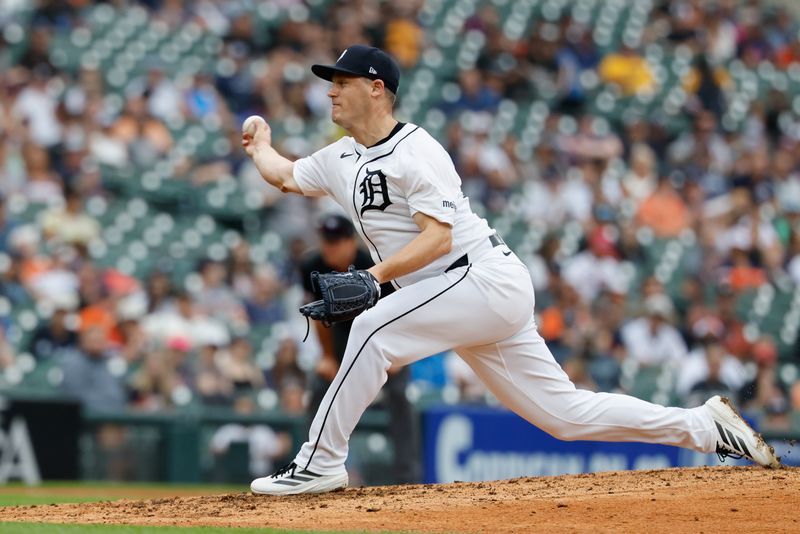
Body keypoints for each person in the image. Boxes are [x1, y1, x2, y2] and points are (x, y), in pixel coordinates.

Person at [242, 45, 779, 495]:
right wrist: (260, 145)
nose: (331, 90)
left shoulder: (416, 150)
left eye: (342, 80)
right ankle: (706, 427)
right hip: (458, 297)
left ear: (377, 88)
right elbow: (286, 175)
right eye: (330, 82)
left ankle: (321, 462)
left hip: (479, 277)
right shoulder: (340, 158)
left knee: (370, 329)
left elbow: (439, 237)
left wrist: (374, 278)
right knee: (565, 416)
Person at [299, 213, 419, 484]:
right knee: (319, 388)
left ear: (351, 242)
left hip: (386, 344)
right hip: (342, 343)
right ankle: (313, 467)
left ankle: (408, 477)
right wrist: (328, 357)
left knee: (400, 395)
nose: (330, 246)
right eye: (326, 240)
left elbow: (401, 307)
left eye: (337, 240)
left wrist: (399, 353)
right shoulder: (312, 265)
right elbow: (317, 319)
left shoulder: (374, 263)